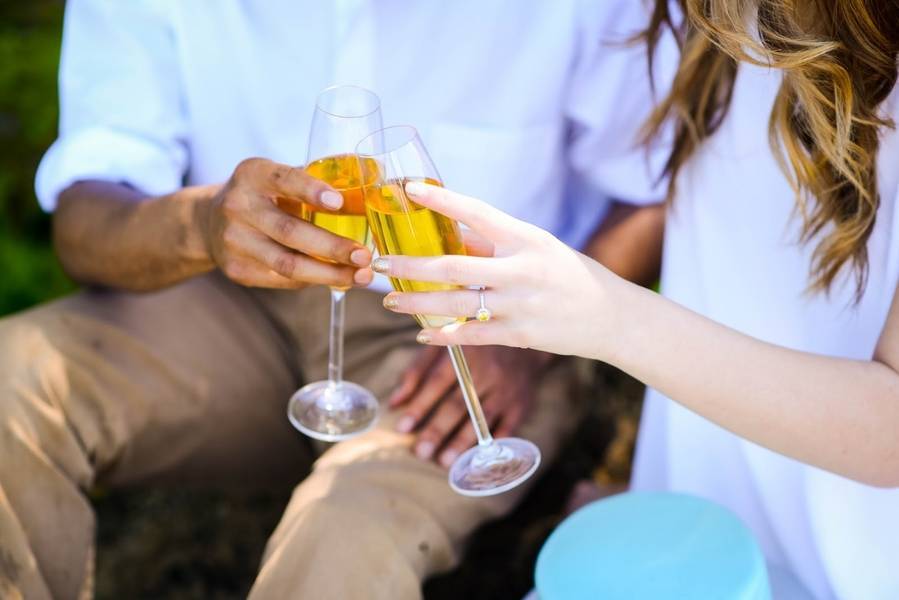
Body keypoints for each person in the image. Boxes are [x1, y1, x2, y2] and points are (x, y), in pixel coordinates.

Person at [0, 1, 669, 598]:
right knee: (12, 383)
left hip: (473, 336)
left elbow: (653, 196)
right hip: (235, 306)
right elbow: (84, 224)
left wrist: (529, 339)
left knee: (342, 551)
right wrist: (202, 225)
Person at [374, 1, 899, 598]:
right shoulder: (714, 16)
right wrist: (667, 483)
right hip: (702, 516)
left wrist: (606, 313)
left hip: (849, 562)